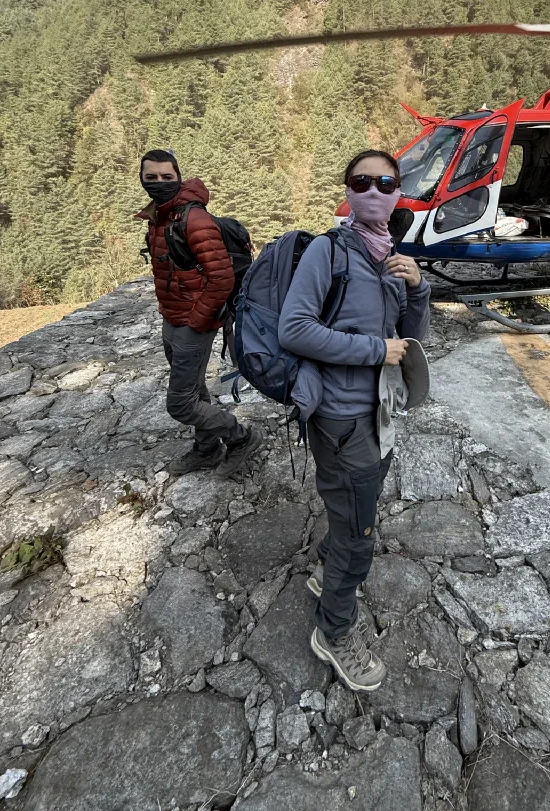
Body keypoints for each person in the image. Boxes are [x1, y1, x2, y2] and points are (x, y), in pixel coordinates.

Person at [278, 149, 431, 692]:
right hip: (342, 416)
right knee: (360, 532)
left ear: (397, 193)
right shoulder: (329, 251)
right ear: (347, 191)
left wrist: (417, 288)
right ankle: (335, 632)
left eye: (384, 182)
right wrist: (373, 350)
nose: (372, 190)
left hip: (380, 410)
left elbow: (413, 338)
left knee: (353, 508)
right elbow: (293, 330)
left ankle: (327, 569)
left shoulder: (388, 255)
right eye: (360, 182)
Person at [136, 149, 262, 475]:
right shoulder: (158, 216)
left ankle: (241, 438)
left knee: (180, 403)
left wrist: (197, 320)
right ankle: (206, 449)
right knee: (195, 391)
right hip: (172, 316)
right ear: (142, 178)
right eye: (151, 177)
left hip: (194, 322)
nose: (159, 183)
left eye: (167, 177)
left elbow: (222, 278)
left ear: (178, 177)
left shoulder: (193, 219)